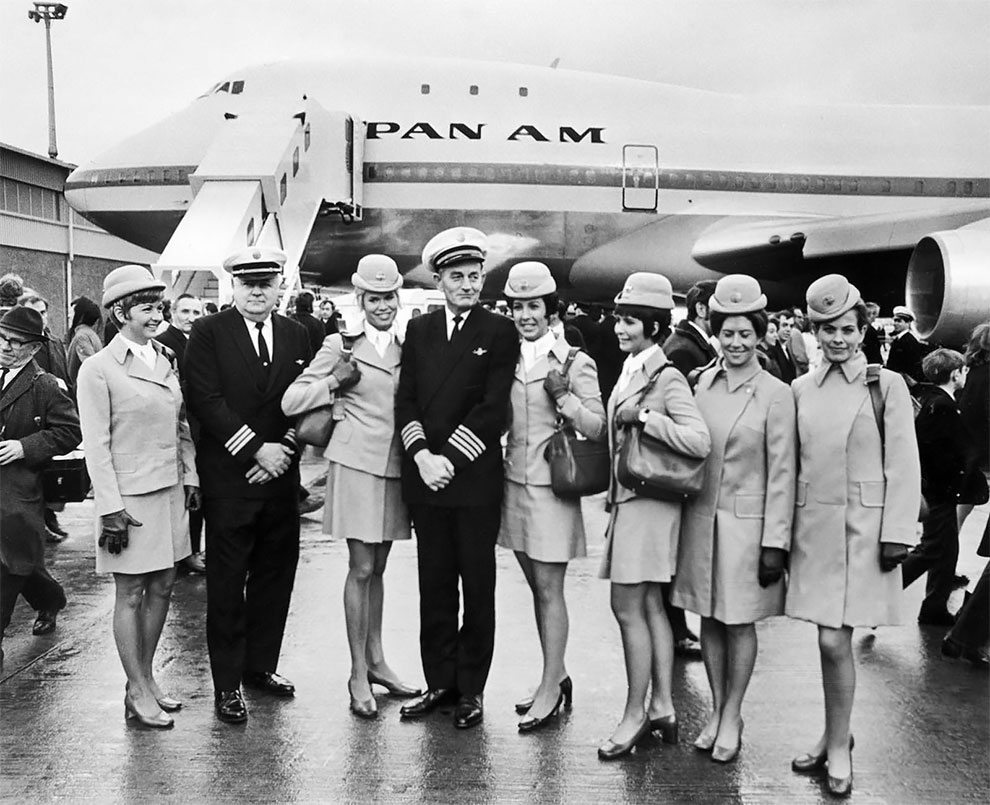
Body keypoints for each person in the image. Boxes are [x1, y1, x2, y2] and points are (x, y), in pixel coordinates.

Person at [786, 275, 920, 798]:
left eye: (847, 329)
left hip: (866, 534)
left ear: (863, 329)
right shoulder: (801, 389)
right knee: (828, 641)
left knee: (833, 640)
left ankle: (839, 745)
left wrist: (898, 533)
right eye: (827, 330)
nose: (838, 339)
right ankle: (831, 734)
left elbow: (904, 466)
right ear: (815, 333)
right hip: (817, 533)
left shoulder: (886, 385)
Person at [282, 255, 420, 719]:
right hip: (357, 464)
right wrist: (334, 384)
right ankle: (358, 671)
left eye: (389, 297)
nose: (383, 306)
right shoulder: (339, 346)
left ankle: (378, 660)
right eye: (374, 298)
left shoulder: (408, 344)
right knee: (361, 567)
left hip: (397, 466)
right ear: (360, 299)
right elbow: (291, 400)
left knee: (379, 566)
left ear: (398, 299)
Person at [395, 227, 519, 730]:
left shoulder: (497, 331)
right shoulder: (420, 330)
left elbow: (495, 410)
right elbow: (407, 400)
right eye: (457, 277)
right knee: (435, 586)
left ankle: (471, 689)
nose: (467, 285)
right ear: (439, 280)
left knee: (477, 586)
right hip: (429, 479)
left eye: (474, 276)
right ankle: (439, 681)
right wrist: (423, 455)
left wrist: (449, 458)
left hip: (471, 482)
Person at [183, 248, 312, 725]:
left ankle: (261, 667)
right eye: (247, 283)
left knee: (275, 580)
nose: (257, 291)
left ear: (280, 286)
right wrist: (257, 449)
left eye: (266, 282)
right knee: (226, 585)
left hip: (280, 480)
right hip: (232, 481)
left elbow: (309, 399)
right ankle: (227, 684)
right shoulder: (209, 332)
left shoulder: (298, 333)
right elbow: (205, 398)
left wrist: (285, 451)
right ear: (232, 286)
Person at [672, 275, 796, 763]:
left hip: (748, 529)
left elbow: (784, 473)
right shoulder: (702, 380)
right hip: (701, 523)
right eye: (728, 333)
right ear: (715, 331)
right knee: (709, 621)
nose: (737, 343)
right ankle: (719, 709)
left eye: (746, 333)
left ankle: (733, 714)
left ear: (761, 334)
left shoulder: (776, 393)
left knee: (739, 623)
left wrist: (776, 543)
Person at [76, 265, 200, 729]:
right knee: (130, 593)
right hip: (128, 500)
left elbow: (181, 423)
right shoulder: (98, 369)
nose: (157, 315)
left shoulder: (164, 359)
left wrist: (191, 479)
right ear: (119, 312)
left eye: (159, 307)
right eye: (147, 308)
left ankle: (145, 680)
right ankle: (136, 686)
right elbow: (97, 442)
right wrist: (110, 508)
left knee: (165, 587)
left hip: (169, 491)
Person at [598, 272, 711, 760]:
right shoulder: (632, 368)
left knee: (628, 609)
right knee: (648, 609)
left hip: (648, 507)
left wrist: (645, 417)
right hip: (633, 505)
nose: (620, 328)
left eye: (630, 321)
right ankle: (662, 705)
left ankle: (634, 714)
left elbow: (699, 441)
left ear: (654, 325)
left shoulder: (665, 376)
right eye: (620, 319)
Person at [496, 262, 606, 732]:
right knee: (534, 590)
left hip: (552, 490)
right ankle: (556, 676)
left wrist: (565, 399)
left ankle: (549, 688)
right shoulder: (508, 357)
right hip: (512, 485)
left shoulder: (574, 361)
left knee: (549, 591)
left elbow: (599, 426)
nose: (525, 315)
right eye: (517, 307)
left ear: (551, 310)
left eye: (533, 306)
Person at [0, 307, 80, 668]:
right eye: (1, 338)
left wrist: (24, 447)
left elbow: (70, 431)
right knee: (20, 561)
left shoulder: (44, 385)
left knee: (8, 564)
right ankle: (50, 600)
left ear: (33, 349)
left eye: (15, 343)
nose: (5, 347)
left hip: (16, 488)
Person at [659, 278, 719, 658]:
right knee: (673, 554)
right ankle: (676, 629)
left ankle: (677, 627)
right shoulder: (683, 349)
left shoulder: (689, 343)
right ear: (701, 309)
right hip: (683, 465)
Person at [901, 349, 970, 625]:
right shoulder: (943, 407)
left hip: (938, 489)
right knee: (931, 548)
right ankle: (880, 597)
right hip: (940, 491)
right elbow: (939, 453)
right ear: (955, 374)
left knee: (948, 548)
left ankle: (935, 606)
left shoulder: (931, 400)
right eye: (963, 371)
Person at [155, 293, 207, 574]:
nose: (190, 317)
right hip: (176, 425)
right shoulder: (164, 344)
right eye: (185, 311)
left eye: (195, 312)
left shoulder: (203, 340)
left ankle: (191, 549)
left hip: (199, 427)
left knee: (195, 491)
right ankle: (181, 552)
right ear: (173, 312)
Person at [17, 291, 72, 542]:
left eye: (43, 312)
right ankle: (40, 521)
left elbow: (63, 373)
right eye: (34, 313)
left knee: (52, 473)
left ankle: (50, 517)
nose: (41, 318)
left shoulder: (55, 341)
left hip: (55, 410)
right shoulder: (22, 346)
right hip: (31, 417)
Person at [957, 323, 990, 533]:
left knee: (964, 502)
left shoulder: (972, 371)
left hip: (970, 444)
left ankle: (943, 549)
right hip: (985, 447)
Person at [66, 297, 103, 393]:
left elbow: (90, 367)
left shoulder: (81, 337)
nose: (68, 316)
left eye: (72, 312)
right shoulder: (91, 334)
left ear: (80, 316)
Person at [885, 304, 926, 385]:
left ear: (908, 323)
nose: (895, 323)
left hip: (904, 381)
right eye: (895, 320)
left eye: (899, 321)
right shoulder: (899, 339)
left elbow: (912, 366)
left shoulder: (909, 341)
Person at [292, 291, 328, 356]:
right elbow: (320, 345)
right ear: (310, 306)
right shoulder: (317, 323)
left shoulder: (286, 320)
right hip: (311, 359)